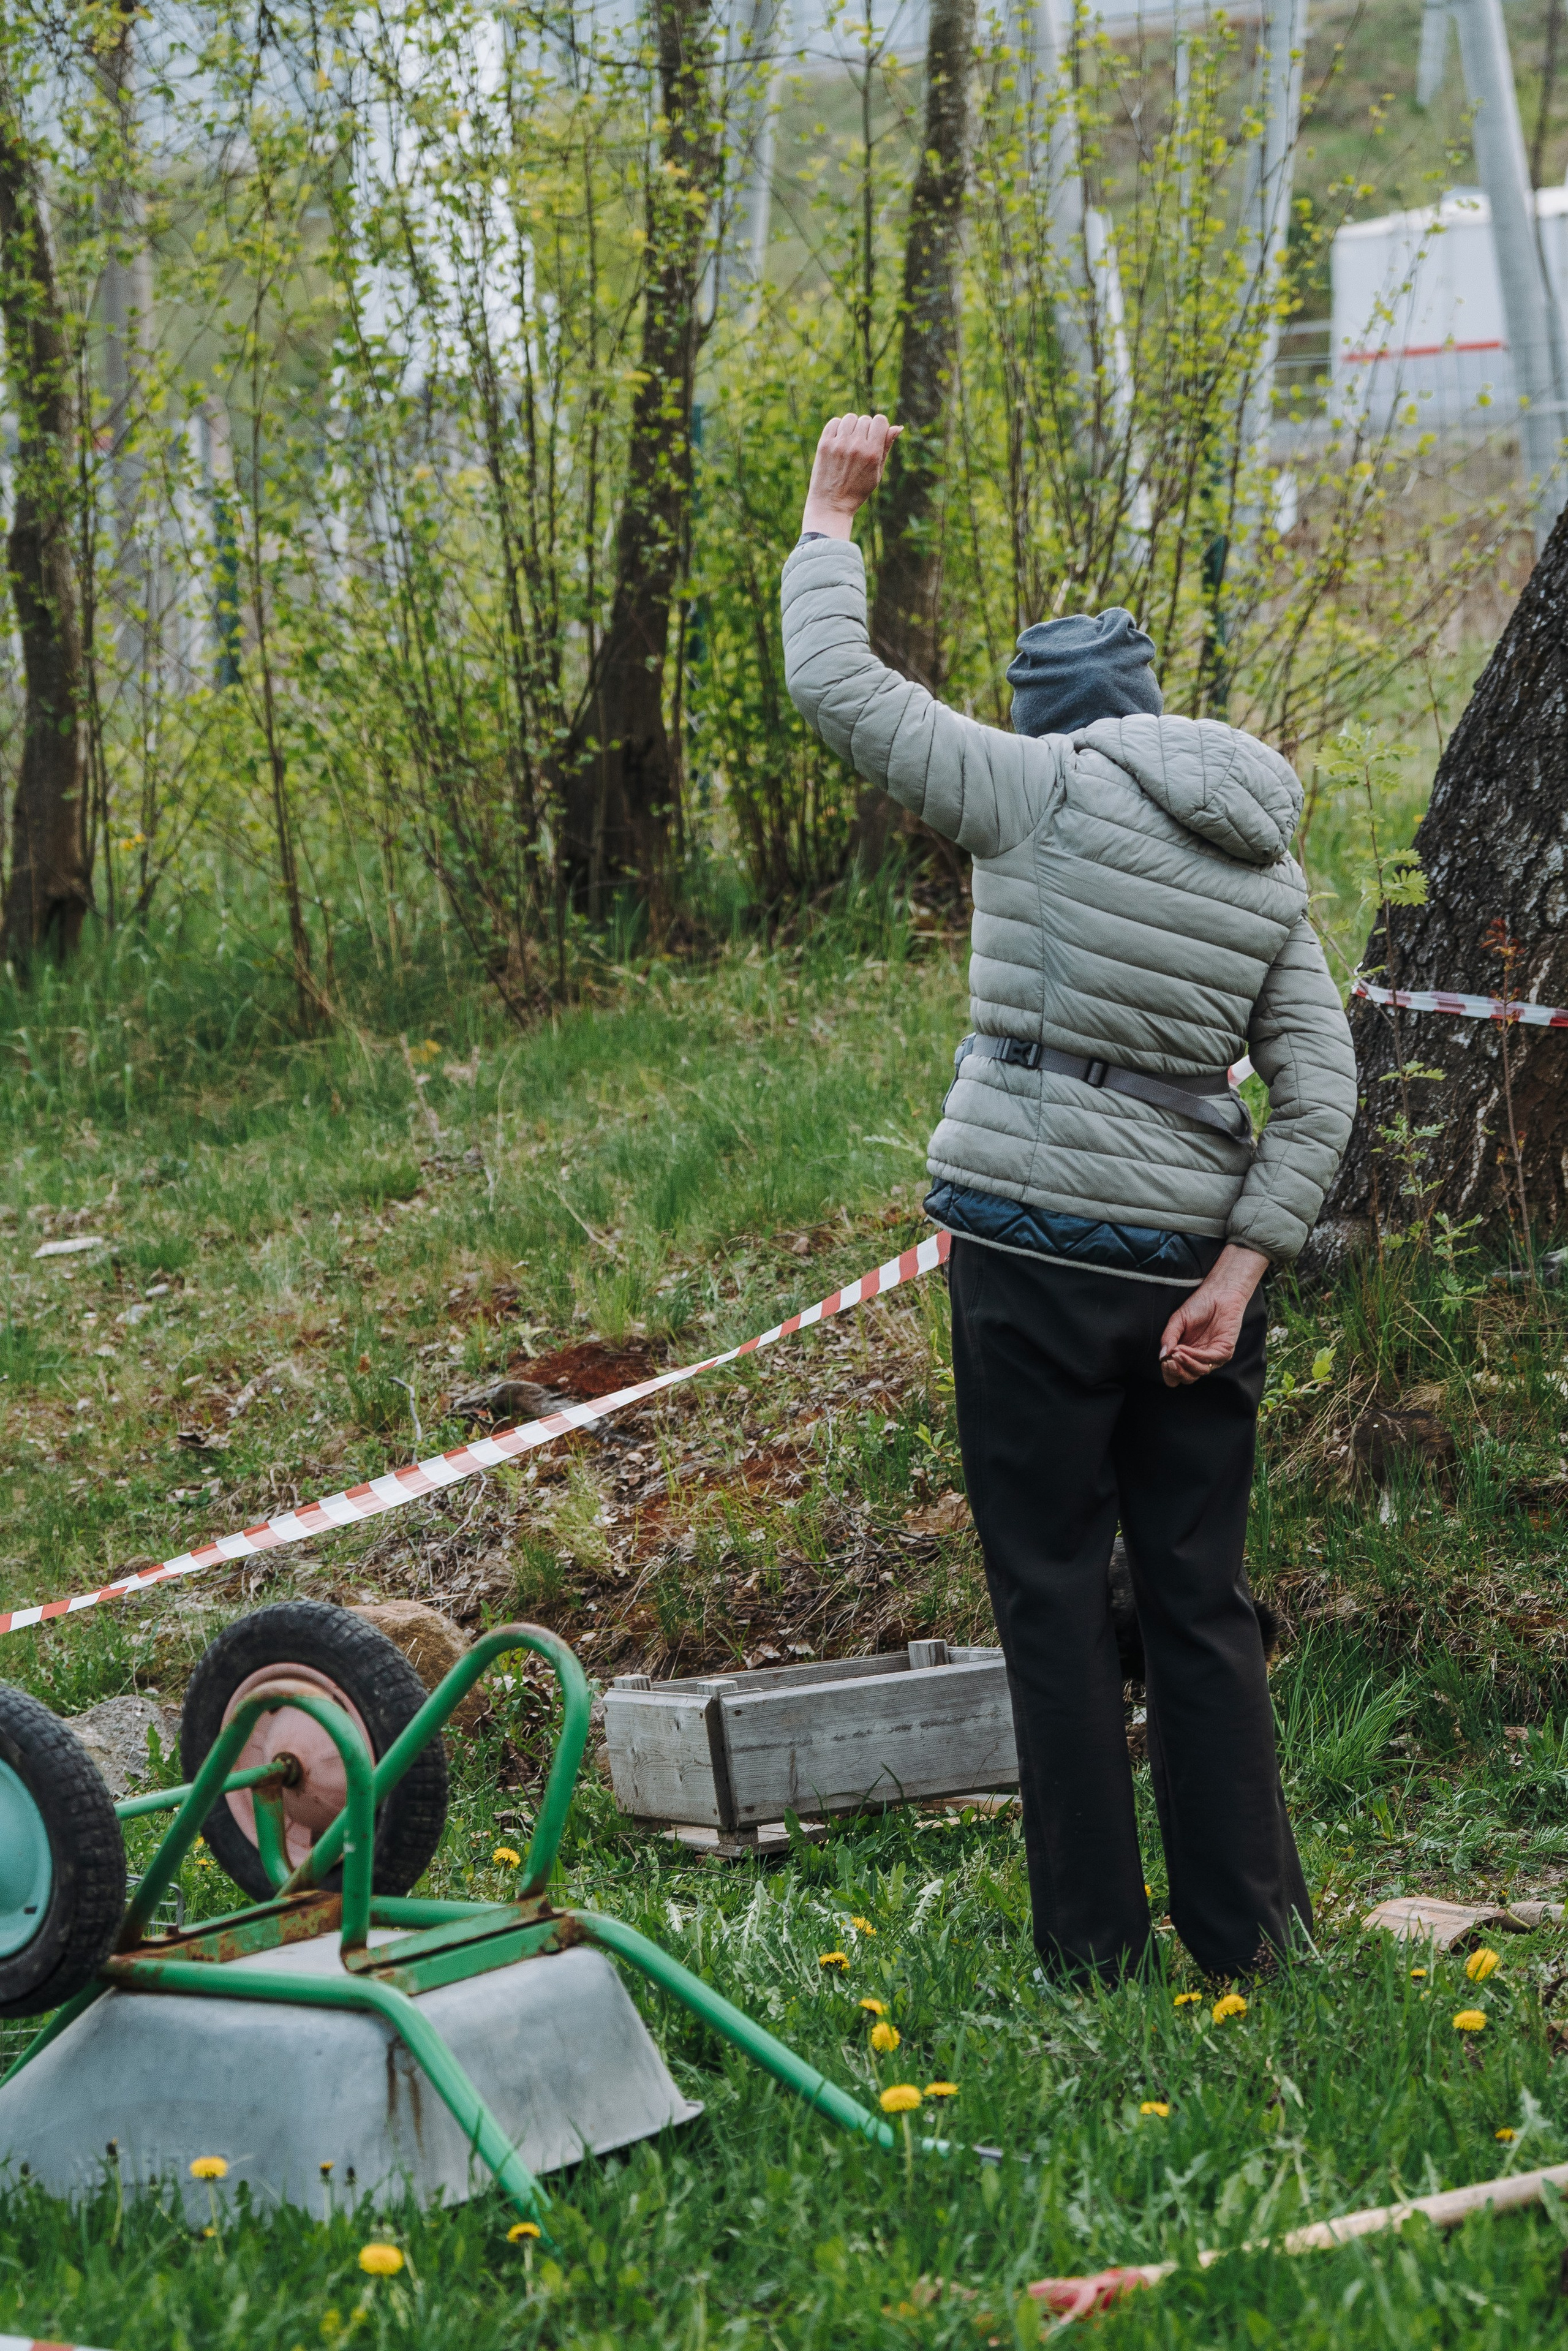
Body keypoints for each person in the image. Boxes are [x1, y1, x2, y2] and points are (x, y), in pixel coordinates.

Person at [782, 413, 1357, 1983]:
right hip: (1192, 1277)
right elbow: (1321, 1089)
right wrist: (1238, 1274)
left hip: (1033, 1259)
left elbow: (839, 689)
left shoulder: (1031, 789)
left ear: (1045, 720)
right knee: (1200, 1599)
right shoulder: (1264, 866)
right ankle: (1253, 1938)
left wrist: (832, 521)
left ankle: (1095, 1956)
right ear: (1155, 711)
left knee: (1048, 1593)